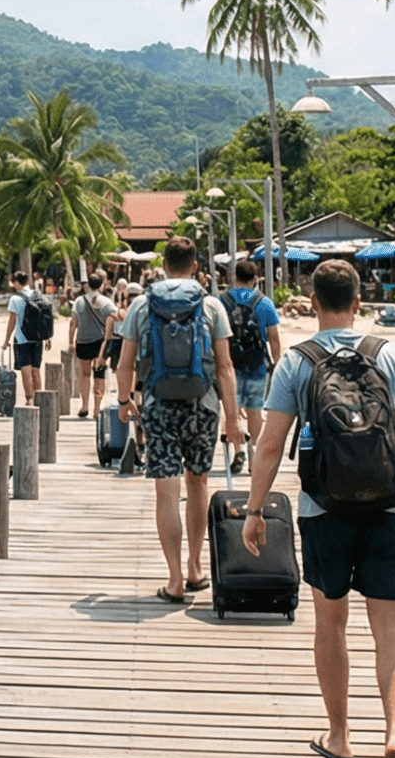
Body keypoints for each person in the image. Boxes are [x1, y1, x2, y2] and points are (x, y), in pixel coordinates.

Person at [240, 257, 395, 758]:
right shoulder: (389, 355)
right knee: (391, 630)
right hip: (391, 508)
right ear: (359, 302)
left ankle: (339, 735)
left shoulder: (295, 362)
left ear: (311, 302)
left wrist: (253, 509)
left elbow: (270, 444)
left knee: (330, 623)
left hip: (323, 509)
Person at [114, 237, 235, 604]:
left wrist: (123, 401)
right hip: (203, 404)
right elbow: (226, 367)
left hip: (157, 403)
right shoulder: (211, 304)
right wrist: (234, 420)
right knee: (198, 484)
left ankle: (175, 579)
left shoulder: (141, 303)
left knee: (166, 490)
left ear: (164, 265)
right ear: (195, 267)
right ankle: (197, 568)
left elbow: (125, 364)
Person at [219, 258, 281, 476]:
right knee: (255, 411)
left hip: (229, 366)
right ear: (255, 279)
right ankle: (255, 457)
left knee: (231, 411)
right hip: (257, 366)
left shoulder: (222, 301)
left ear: (234, 277)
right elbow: (273, 337)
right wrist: (276, 363)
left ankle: (238, 451)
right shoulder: (263, 302)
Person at [70, 271, 117, 419]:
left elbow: (73, 323)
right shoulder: (107, 302)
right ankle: (96, 409)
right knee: (99, 375)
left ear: (88, 285)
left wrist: (70, 342)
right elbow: (116, 317)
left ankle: (84, 405)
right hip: (100, 344)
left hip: (83, 342)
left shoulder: (79, 301)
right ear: (101, 285)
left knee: (84, 375)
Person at [2, 269, 49, 404]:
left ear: (17, 283)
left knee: (25, 370)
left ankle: (29, 398)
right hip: (38, 338)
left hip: (22, 338)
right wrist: (48, 337)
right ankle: (39, 399)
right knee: (36, 369)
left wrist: (6, 341)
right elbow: (45, 317)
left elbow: (12, 321)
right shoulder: (38, 295)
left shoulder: (15, 299)